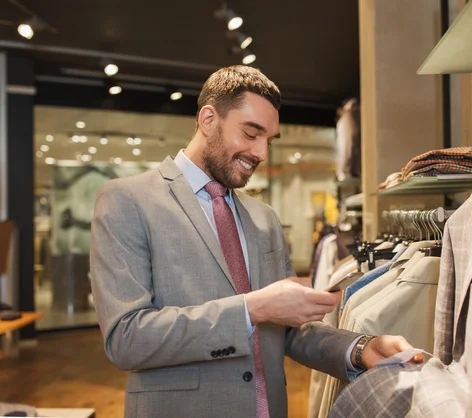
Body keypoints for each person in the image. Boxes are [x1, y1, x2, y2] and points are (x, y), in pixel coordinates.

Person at [90, 65, 422, 418]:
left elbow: (288, 331)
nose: (262, 152)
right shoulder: (127, 200)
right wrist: (252, 308)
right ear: (207, 120)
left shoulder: (264, 218)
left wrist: (360, 348)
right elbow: (127, 339)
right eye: (251, 133)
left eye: (269, 140)